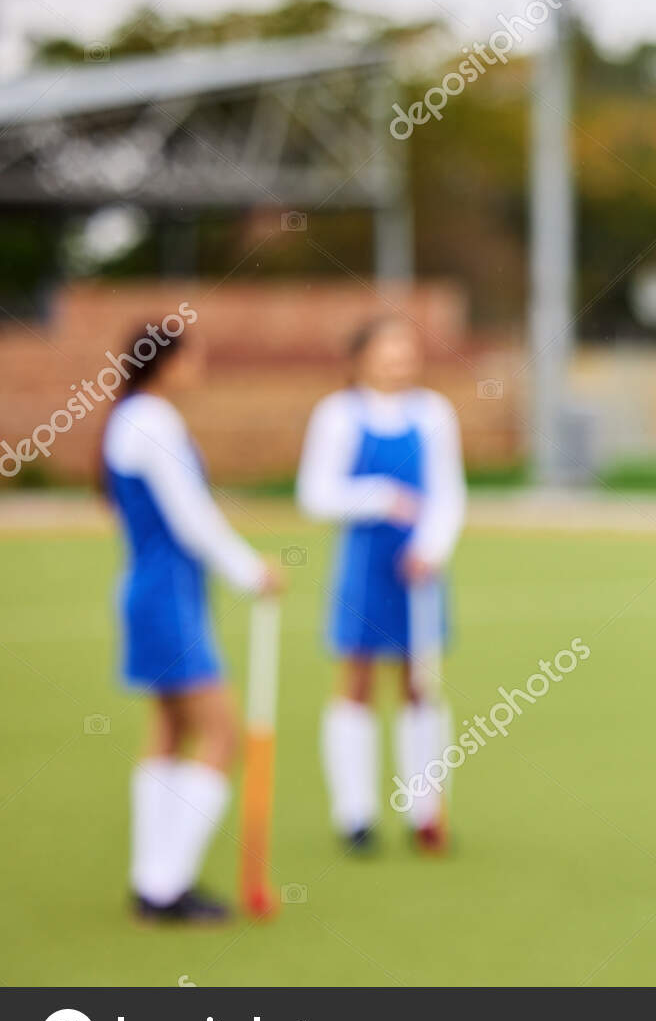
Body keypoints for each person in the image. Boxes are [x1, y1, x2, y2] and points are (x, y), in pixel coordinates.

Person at [101, 325, 282, 921]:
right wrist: (250, 571)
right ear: (169, 363)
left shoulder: (128, 418)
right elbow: (192, 518)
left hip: (153, 591)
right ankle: (166, 886)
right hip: (168, 597)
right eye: (194, 357)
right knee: (219, 732)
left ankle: (150, 881)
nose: (200, 367)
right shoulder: (155, 422)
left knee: (169, 731)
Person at [296, 316, 465, 854]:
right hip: (364, 566)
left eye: (407, 349)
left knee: (421, 686)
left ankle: (426, 810)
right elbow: (316, 494)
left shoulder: (435, 412)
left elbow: (448, 493)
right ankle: (357, 815)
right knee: (358, 682)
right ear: (361, 357)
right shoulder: (338, 414)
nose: (400, 359)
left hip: (418, 572)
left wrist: (430, 549)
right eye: (388, 349)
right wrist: (381, 498)